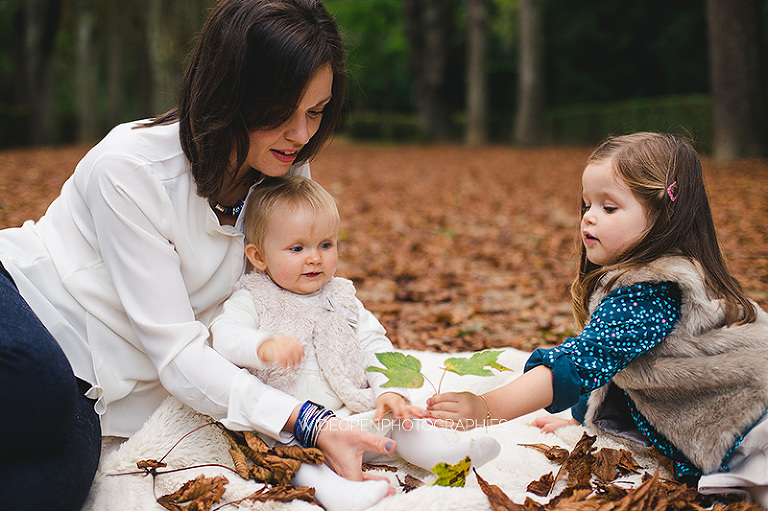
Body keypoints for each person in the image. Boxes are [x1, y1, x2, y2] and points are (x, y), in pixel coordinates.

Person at [0, 2, 398, 510]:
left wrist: (391, 385)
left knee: (49, 489)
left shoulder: (286, 180)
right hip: (25, 298)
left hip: (94, 387)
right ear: (230, 94)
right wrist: (310, 422)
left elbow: (303, 313)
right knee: (35, 389)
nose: (301, 136)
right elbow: (178, 353)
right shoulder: (131, 169)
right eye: (282, 112)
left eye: (316, 112)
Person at [426, 132, 768, 505]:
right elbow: (614, 362)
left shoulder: (652, 292)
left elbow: (581, 362)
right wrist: (581, 416)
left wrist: (486, 408)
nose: (588, 218)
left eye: (609, 208)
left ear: (664, 216)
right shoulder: (643, 281)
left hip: (750, 416)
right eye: (586, 205)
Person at [209, 175, 501, 510]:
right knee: (294, 460)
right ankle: (340, 494)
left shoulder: (342, 296)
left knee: (403, 421)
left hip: (353, 413)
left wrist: (389, 390)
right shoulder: (253, 297)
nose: (315, 258)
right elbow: (224, 335)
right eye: (297, 248)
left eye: (326, 245)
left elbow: (375, 344)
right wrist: (261, 346)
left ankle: (446, 459)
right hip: (295, 425)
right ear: (258, 257)